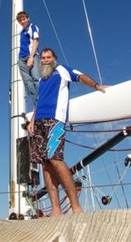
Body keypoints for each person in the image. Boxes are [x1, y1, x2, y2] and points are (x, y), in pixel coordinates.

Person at [27, 47, 108, 216]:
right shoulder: (42, 79)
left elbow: (80, 76)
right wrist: (32, 121)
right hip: (39, 122)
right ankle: (56, 210)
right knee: (46, 165)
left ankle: (76, 207)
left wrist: (96, 85)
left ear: (54, 58)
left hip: (55, 120)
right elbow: (39, 102)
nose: (45, 60)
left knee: (55, 159)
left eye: (48, 57)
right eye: (43, 58)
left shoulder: (62, 70)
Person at [16, 11, 40, 106]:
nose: (22, 21)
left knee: (36, 78)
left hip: (31, 56)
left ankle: (42, 100)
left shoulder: (32, 27)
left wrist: (31, 57)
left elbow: (36, 40)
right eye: (20, 20)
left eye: (24, 19)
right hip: (21, 59)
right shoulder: (21, 32)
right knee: (28, 82)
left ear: (27, 18)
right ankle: (36, 104)